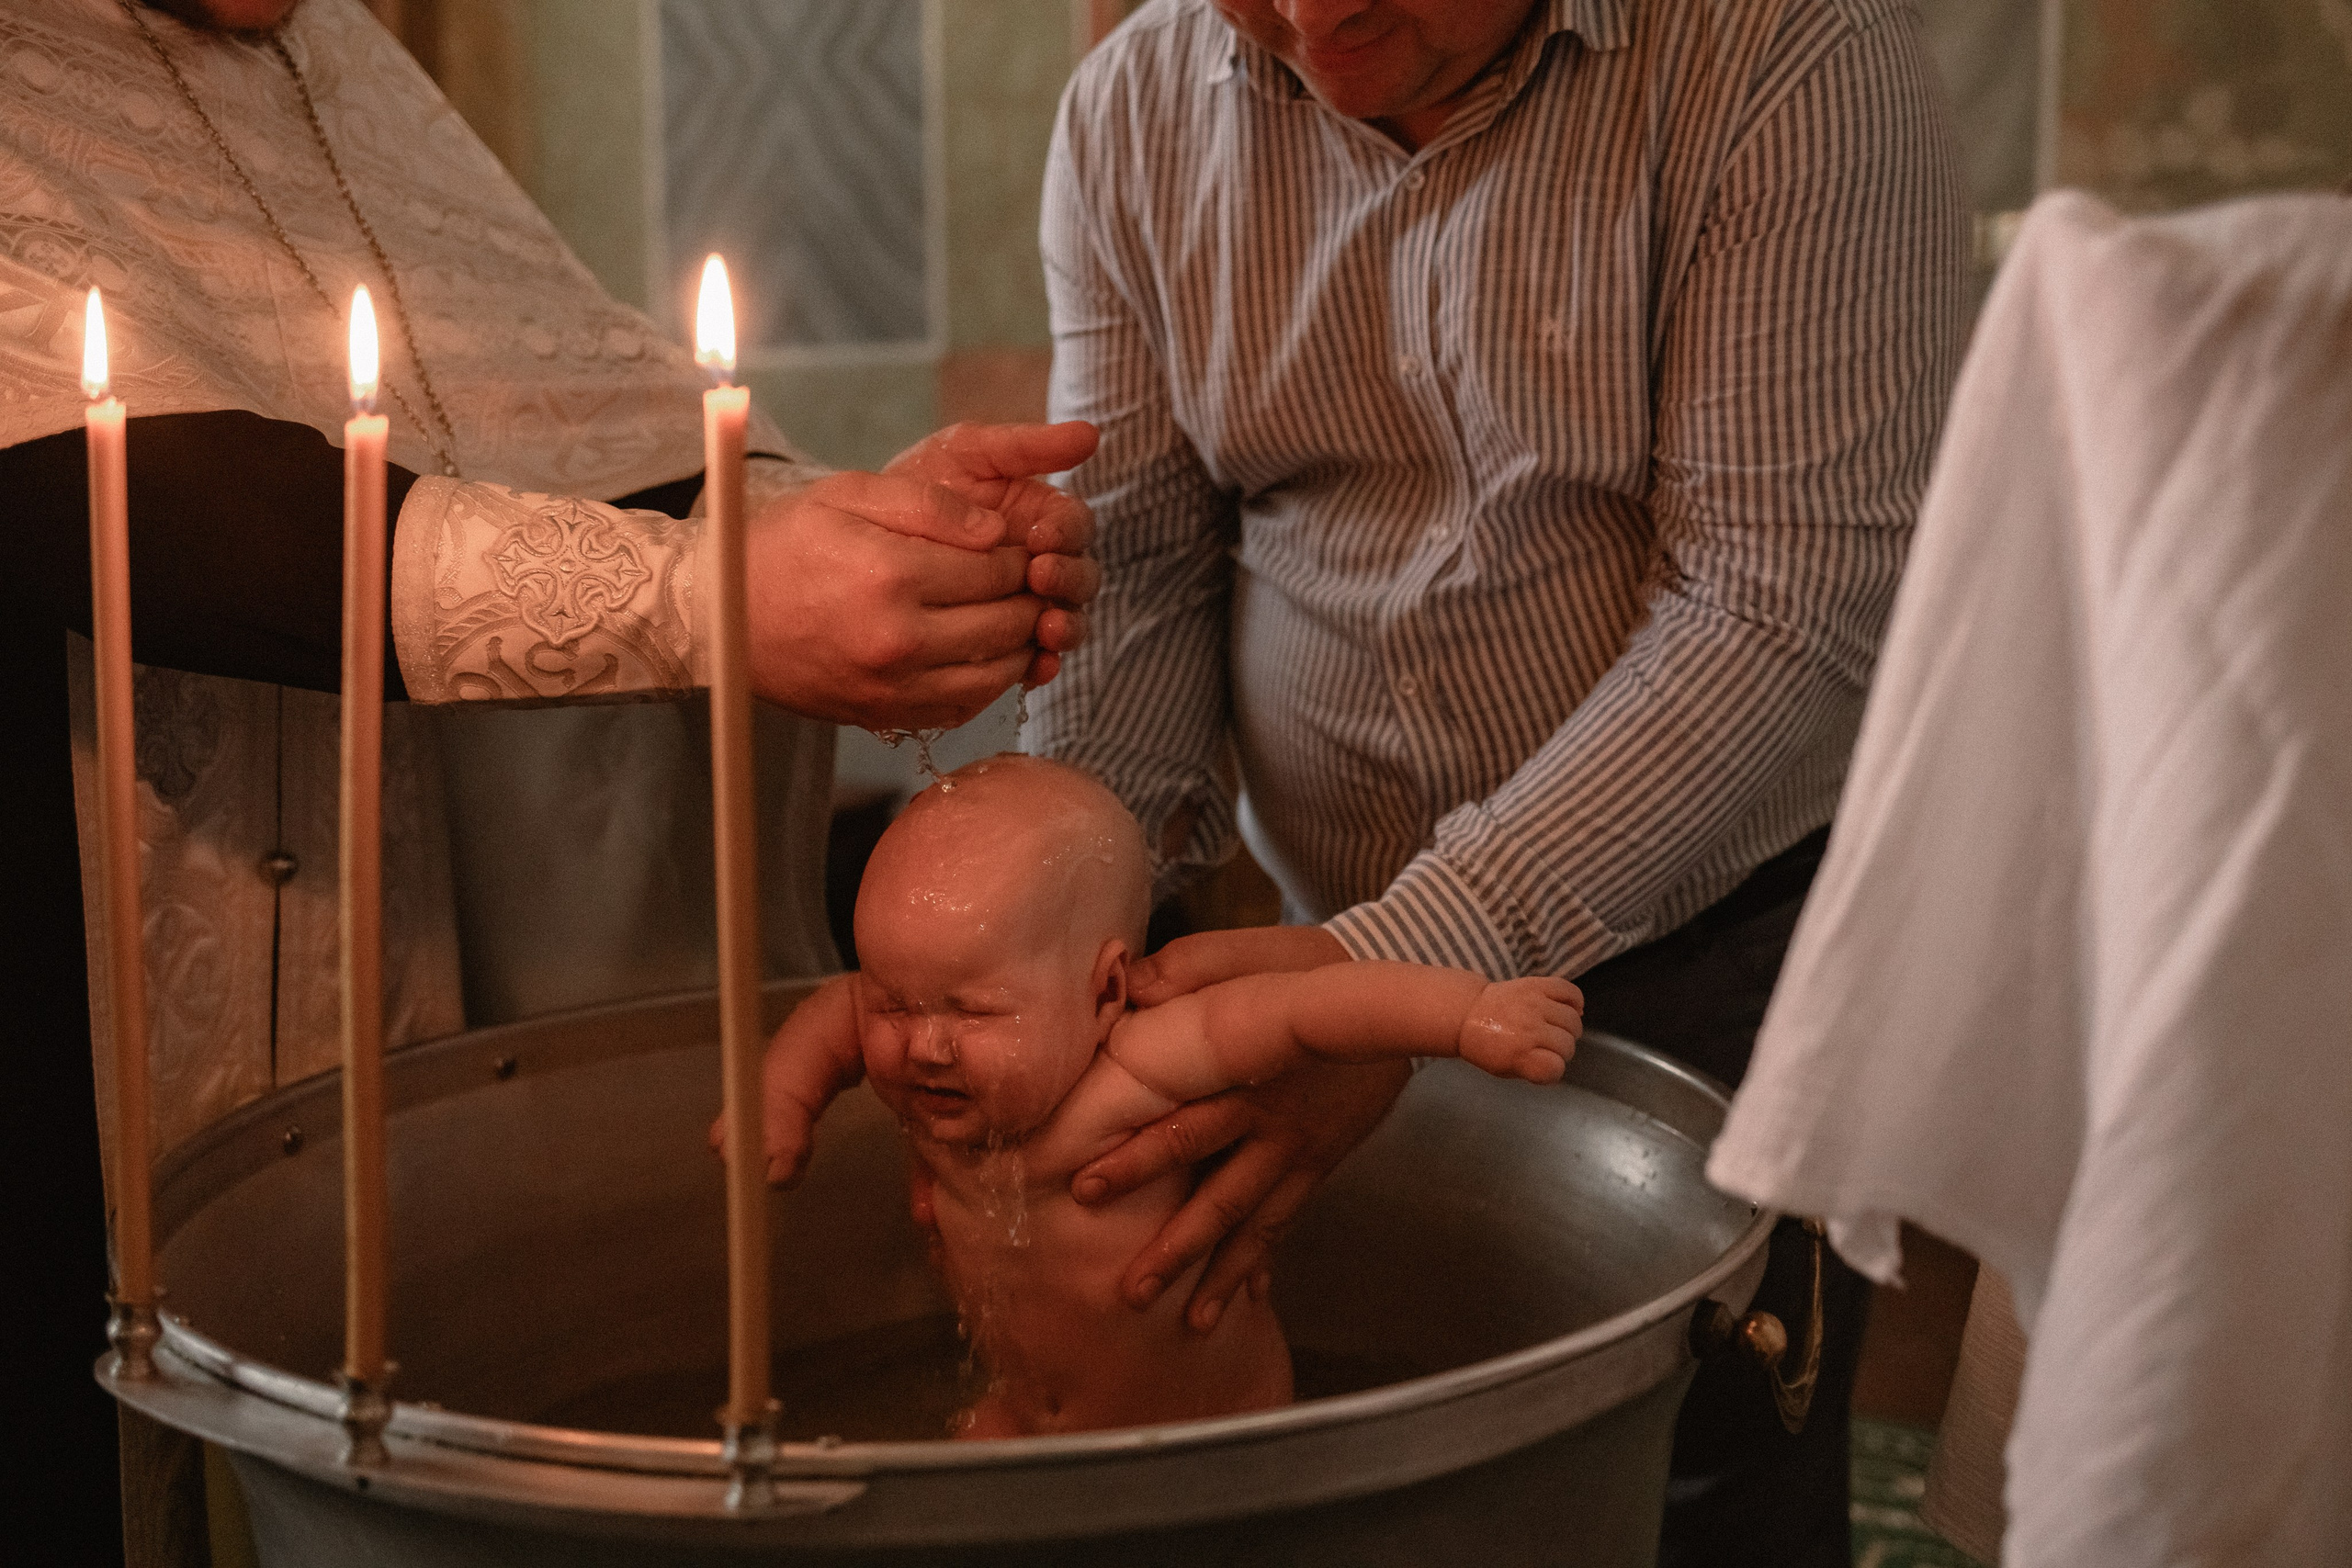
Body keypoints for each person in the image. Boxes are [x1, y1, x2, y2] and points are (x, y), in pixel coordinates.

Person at [2, 0, 1096, 1556]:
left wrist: (838, 531)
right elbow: (120, 495)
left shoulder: (334, 58)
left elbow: (553, 419)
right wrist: (711, 593)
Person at [1023, 0, 1970, 1559]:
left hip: (1716, 935)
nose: (1317, 14)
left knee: (1708, 1466)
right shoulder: (1139, 102)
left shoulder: (1793, 53)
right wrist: (1065, 934)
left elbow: (1778, 609)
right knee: (1384, 1457)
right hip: (1315, 941)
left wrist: (1395, 969)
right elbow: (1132, 573)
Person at [724, 754, 1581, 1437]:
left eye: (973, 1011)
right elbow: (833, 1016)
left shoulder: (1146, 1060)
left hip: (1204, 1436)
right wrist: (782, 1101)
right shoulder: (924, 1053)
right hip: (1021, 1419)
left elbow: (1313, 1010)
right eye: (895, 1002)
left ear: (1105, 992)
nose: (923, 1044)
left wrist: (1471, 1013)